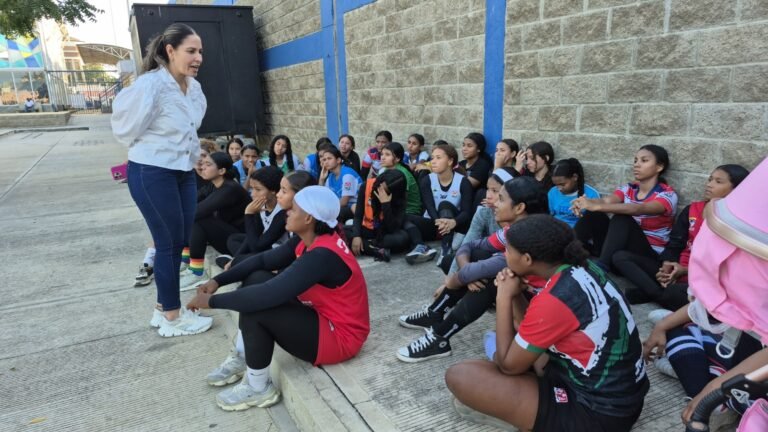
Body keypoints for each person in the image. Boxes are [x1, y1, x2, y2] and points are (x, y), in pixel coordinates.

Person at [445, 215, 648, 432]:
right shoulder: (581, 268)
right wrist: (516, 295)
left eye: (508, 250)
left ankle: (526, 421)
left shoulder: (556, 298)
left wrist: (503, 296)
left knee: (460, 375)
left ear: (527, 259)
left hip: (597, 413)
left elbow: (509, 366)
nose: (504, 255)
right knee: (520, 353)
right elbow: (530, 330)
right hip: (620, 398)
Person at [187, 186, 370, 412]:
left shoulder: (322, 256)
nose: (287, 212)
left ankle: (258, 387)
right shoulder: (311, 237)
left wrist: (212, 302)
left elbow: (268, 295)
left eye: (293, 209)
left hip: (340, 338)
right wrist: (219, 281)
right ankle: (245, 355)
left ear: (308, 218)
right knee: (256, 277)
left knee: (259, 307)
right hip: (322, 317)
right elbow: (263, 260)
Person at [111, 23, 212, 337]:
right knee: (167, 244)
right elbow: (125, 129)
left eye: (200, 52)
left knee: (178, 241)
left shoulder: (192, 88)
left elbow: (188, 131)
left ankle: (161, 308)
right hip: (153, 173)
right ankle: (172, 317)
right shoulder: (151, 85)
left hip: (183, 172)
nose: (198, 58)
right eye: (191, 51)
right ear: (170, 51)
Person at [397, 176, 548, 362]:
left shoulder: (525, 241)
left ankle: (439, 335)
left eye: (500, 198)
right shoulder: (513, 231)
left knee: (495, 280)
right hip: (522, 300)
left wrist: (456, 278)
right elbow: (469, 247)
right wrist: (467, 270)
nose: (493, 202)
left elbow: (477, 268)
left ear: (519, 208)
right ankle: (434, 316)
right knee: (477, 261)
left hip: (537, 316)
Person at [616, 164, 749, 308]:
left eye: (718, 182)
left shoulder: (739, 223)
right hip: (677, 268)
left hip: (703, 279)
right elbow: (675, 243)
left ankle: (654, 293)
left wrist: (685, 270)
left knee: (678, 293)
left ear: (736, 189)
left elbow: (727, 267)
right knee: (620, 257)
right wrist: (667, 267)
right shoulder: (693, 209)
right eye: (710, 179)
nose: (709, 185)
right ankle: (658, 293)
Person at [571, 145, 678, 273]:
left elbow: (639, 208)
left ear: (659, 167)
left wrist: (597, 206)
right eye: (635, 160)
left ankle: (601, 269)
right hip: (620, 248)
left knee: (622, 218)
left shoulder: (667, 194)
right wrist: (586, 202)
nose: (637, 165)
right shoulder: (630, 188)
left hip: (647, 255)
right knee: (593, 215)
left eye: (644, 161)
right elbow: (607, 200)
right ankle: (566, 257)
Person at [179, 152, 251, 291]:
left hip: (240, 242)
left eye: (208, 165)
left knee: (200, 219)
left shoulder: (230, 188)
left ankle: (196, 271)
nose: (202, 168)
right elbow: (190, 202)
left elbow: (196, 212)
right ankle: (187, 260)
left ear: (222, 170)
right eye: (202, 164)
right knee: (194, 217)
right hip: (228, 234)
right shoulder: (213, 184)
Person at [404, 144, 472, 264]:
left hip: (455, 225)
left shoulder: (463, 181)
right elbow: (429, 206)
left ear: (450, 161)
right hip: (434, 224)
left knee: (444, 204)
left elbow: (466, 212)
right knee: (404, 217)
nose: (433, 162)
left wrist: (454, 222)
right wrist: (439, 222)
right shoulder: (427, 180)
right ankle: (421, 247)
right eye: (432, 158)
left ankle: (446, 249)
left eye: (438, 158)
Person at [446, 168, 515, 275]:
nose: (488, 195)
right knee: (450, 261)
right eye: (488, 189)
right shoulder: (484, 212)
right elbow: (467, 244)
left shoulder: (521, 220)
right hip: (487, 261)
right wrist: (453, 279)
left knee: (478, 256)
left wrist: (467, 275)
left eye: (495, 191)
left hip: (508, 268)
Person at [219, 166, 287, 269]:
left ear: (273, 190)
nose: (252, 194)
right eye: (252, 188)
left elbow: (257, 247)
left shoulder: (282, 212)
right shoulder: (262, 205)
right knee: (233, 239)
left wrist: (249, 215)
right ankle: (235, 261)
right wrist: (235, 258)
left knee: (253, 254)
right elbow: (255, 235)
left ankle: (237, 262)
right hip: (263, 245)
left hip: (277, 252)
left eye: (258, 189)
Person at [347, 169, 410, 262]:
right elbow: (358, 216)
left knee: (402, 239)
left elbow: (392, 228)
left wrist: (385, 204)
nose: (379, 190)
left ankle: (367, 245)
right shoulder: (366, 185)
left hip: (384, 233)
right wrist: (356, 236)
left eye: (384, 190)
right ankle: (376, 250)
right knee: (341, 231)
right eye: (379, 186)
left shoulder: (400, 198)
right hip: (367, 228)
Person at [547, 158, 600, 227]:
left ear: (575, 177)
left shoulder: (591, 194)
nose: (559, 188)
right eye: (556, 185)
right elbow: (551, 215)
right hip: (557, 230)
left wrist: (582, 216)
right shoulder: (553, 192)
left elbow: (596, 223)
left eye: (562, 184)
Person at [319, 146, 363, 223]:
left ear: (338, 160)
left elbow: (344, 202)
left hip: (355, 206)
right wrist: (321, 179)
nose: (326, 162)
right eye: (324, 160)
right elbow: (323, 196)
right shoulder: (330, 176)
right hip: (342, 206)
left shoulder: (347, 174)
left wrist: (327, 209)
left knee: (334, 214)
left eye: (329, 158)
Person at [379, 142, 421, 216]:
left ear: (397, 159)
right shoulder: (385, 170)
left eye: (387, 155)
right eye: (382, 154)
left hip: (409, 212)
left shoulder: (402, 173)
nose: (383, 157)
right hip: (393, 208)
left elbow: (401, 200)